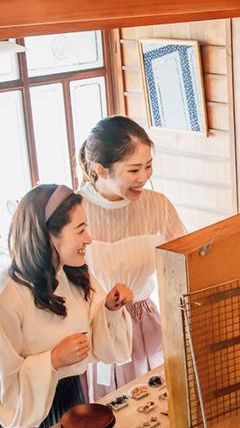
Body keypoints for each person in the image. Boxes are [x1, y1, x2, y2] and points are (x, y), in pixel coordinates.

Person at [0, 183, 134, 428]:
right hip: (18, 421)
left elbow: (94, 337)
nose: (90, 238)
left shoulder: (73, 274)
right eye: (80, 230)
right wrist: (53, 360)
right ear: (48, 235)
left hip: (68, 400)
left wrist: (110, 308)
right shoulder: (2, 301)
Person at [77, 116, 186, 399]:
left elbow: (186, 259)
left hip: (145, 321)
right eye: (134, 169)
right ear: (101, 170)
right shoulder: (75, 212)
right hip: (98, 329)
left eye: (148, 166)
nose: (144, 177)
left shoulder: (157, 206)